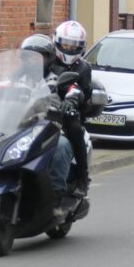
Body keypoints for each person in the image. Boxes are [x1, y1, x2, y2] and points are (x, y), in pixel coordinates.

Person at [21, 33, 76, 210]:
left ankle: (56, 197)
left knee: (62, 146)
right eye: (29, 58)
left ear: (49, 59)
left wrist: (69, 101)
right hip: (17, 128)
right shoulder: (15, 78)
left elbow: (73, 90)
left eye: (38, 58)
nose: (33, 62)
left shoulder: (57, 78)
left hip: (47, 127)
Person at [50, 20, 94, 197]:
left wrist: (72, 100)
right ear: (56, 41)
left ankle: (83, 179)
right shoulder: (48, 61)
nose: (69, 48)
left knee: (75, 130)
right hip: (41, 107)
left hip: (67, 112)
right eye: (66, 44)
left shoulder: (83, 68)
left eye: (74, 46)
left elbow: (83, 90)